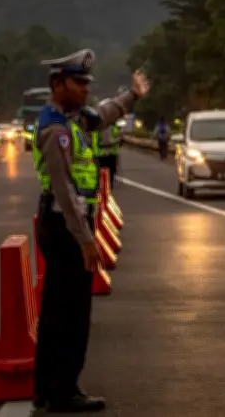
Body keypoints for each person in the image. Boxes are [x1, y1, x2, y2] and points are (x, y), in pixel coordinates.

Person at [31, 48, 148, 412]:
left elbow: (105, 113)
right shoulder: (55, 129)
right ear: (57, 84)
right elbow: (64, 191)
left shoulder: (74, 119)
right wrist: (85, 240)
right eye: (77, 83)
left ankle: (48, 387)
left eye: (86, 83)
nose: (85, 89)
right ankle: (64, 390)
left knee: (57, 309)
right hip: (65, 226)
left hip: (66, 224)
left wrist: (132, 95)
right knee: (71, 313)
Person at [91, 121, 122, 186]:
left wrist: (119, 139)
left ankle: (107, 189)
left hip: (111, 155)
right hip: (101, 155)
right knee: (102, 178)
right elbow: (100, 143)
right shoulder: (98, 128)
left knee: (109, 178)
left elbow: (119, 140)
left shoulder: (113, 128)